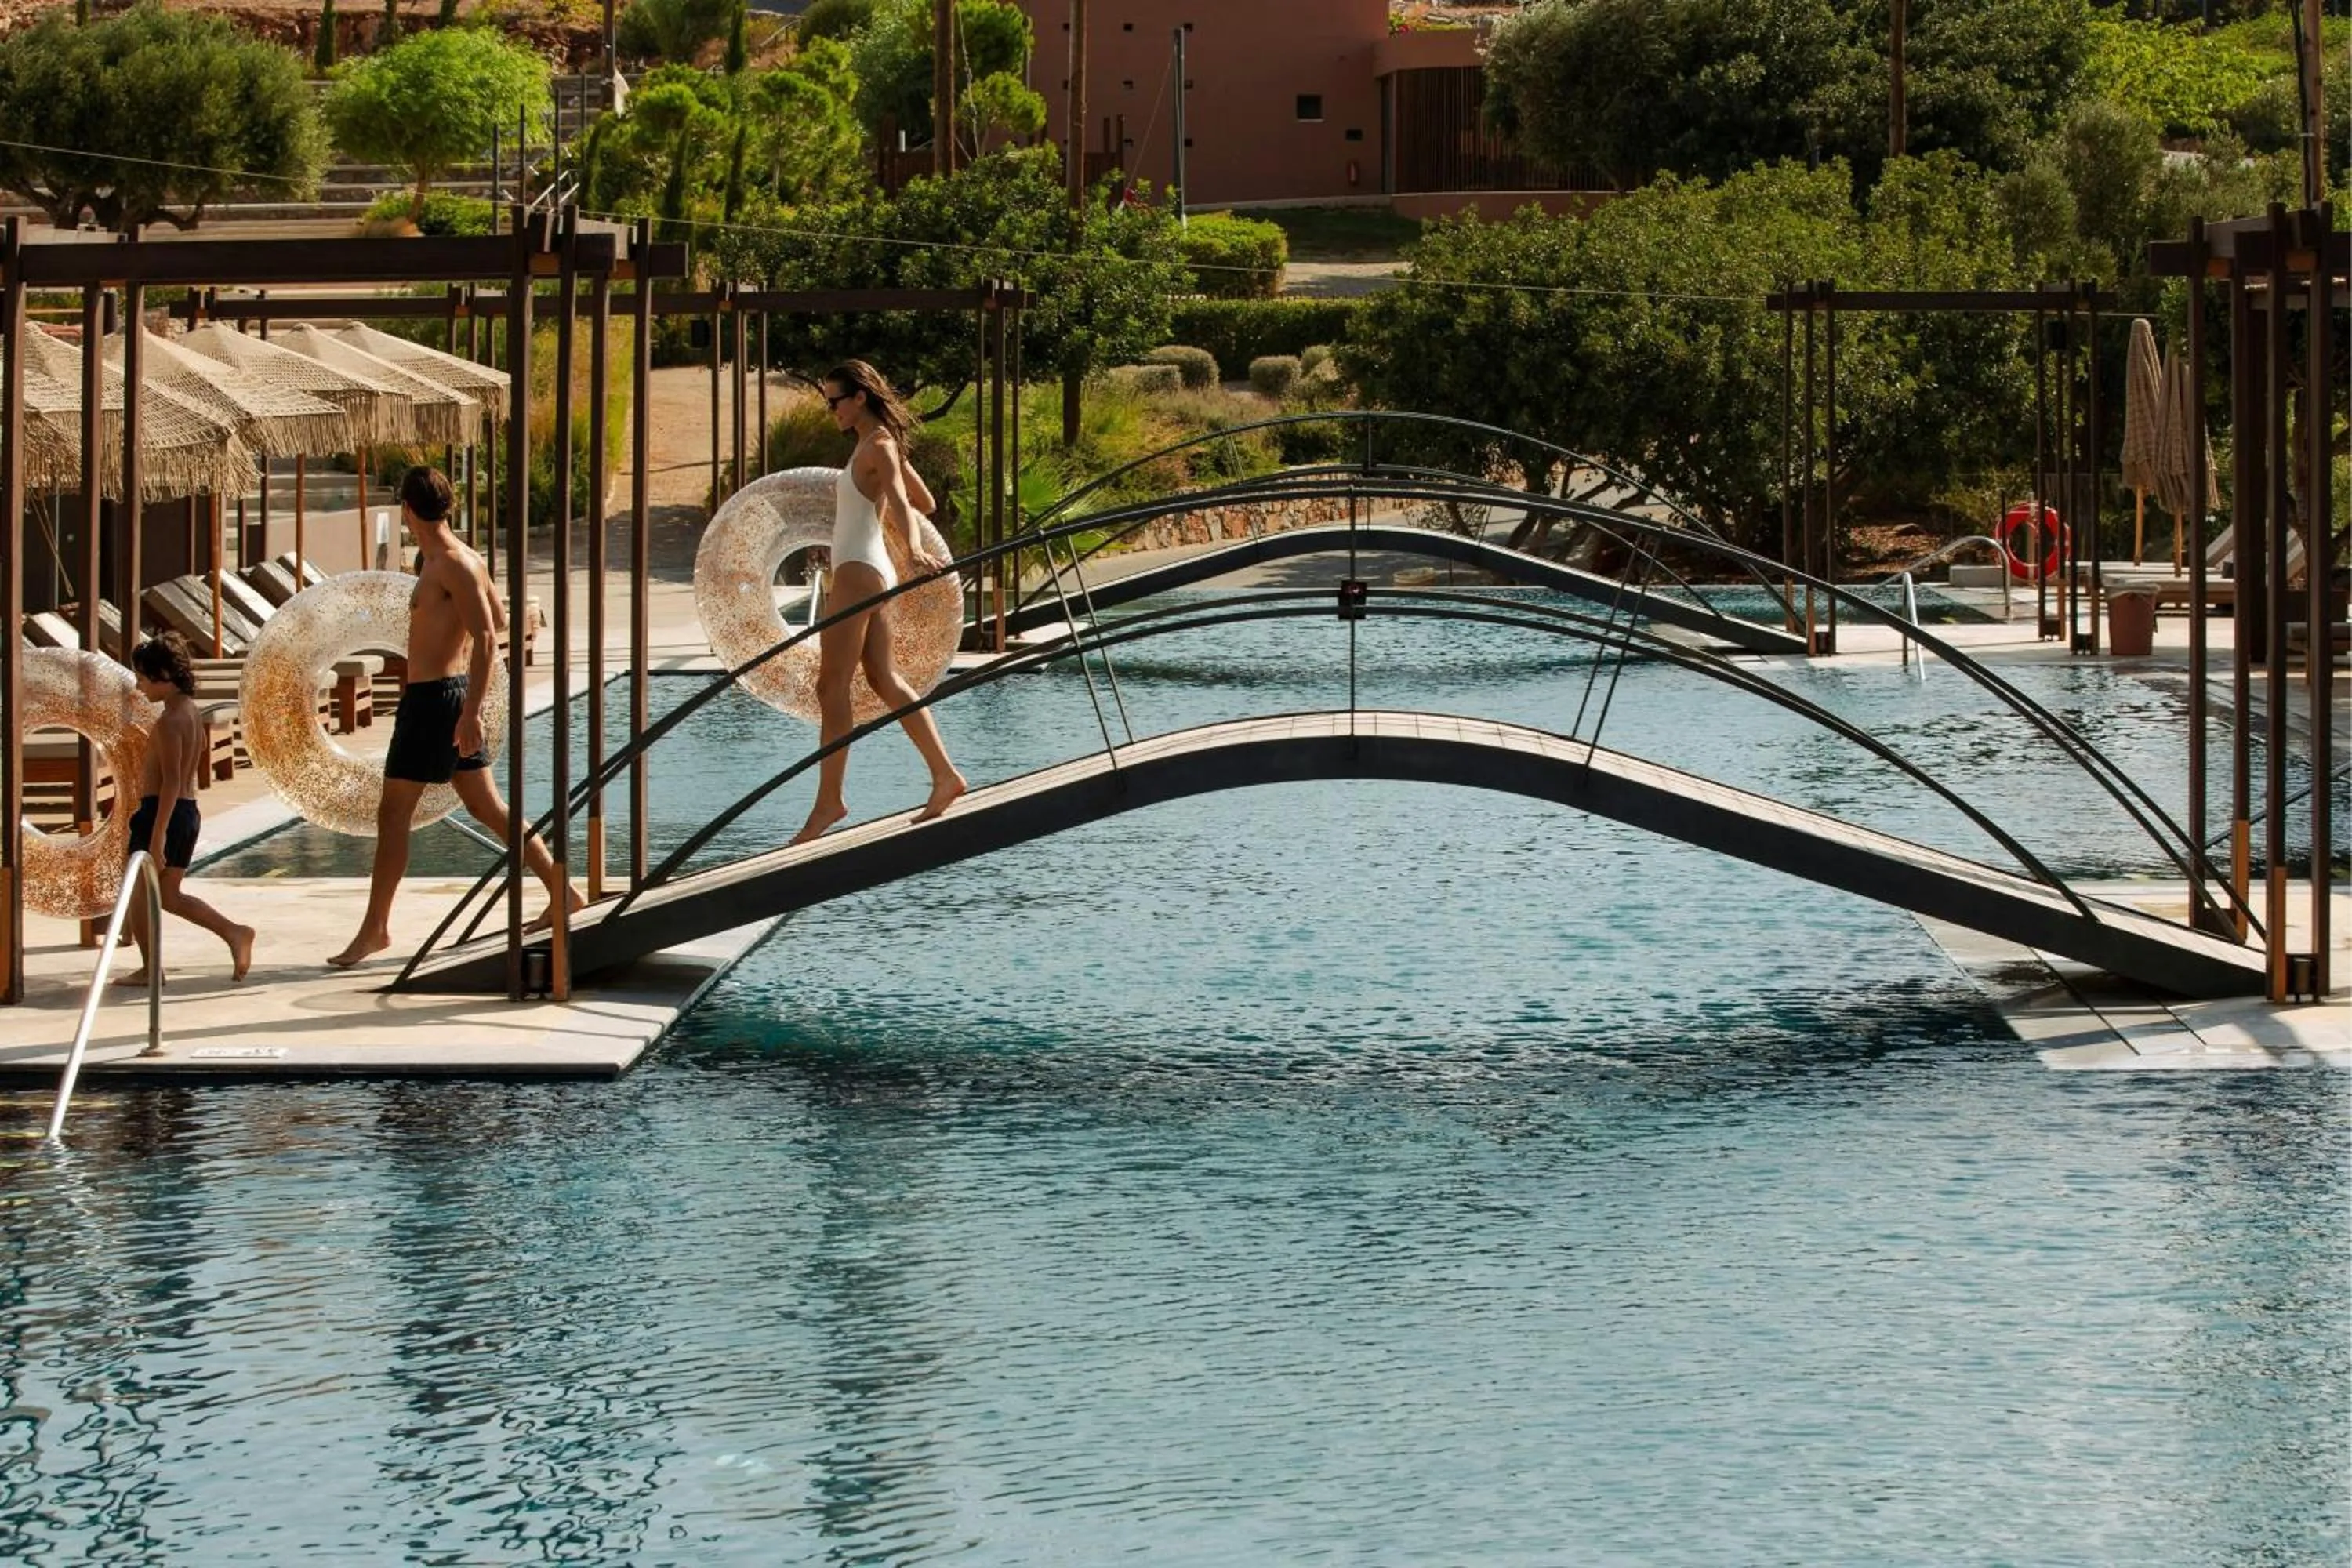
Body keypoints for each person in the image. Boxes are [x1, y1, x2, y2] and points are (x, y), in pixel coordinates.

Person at [328, 466, 583, 967]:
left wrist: (469, 712)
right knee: (489, 809)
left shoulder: (450, 563)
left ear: (406, 509)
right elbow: (502, 619)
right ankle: (564, 892)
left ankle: (375, 930)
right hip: (446, 697)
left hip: (435, 703)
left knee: (393, 814)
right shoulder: (458, 559)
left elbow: (489, 636)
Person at [792, 361, 967, 844]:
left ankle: (829, 802)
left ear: (859, 398)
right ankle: (944, 775)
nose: (831, 411)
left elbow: (902, 500)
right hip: (866, 567)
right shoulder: (877, 445)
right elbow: (925, 500)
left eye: (835, 401)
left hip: (859, 571)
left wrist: (911, 547)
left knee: (831, 687)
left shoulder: (880, 447)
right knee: (882, 678)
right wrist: (893, 511)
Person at [122, 633, 256, 983]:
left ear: (163, 675)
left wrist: (157, 837)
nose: (139, 686)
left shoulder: (169, 722)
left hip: (161, 813)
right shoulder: (190, 712)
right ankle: (234, 932)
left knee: (136, 891)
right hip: (187, 812)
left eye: (142, 678)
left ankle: (151, 969)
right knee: (169, 895)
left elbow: (169, 780)